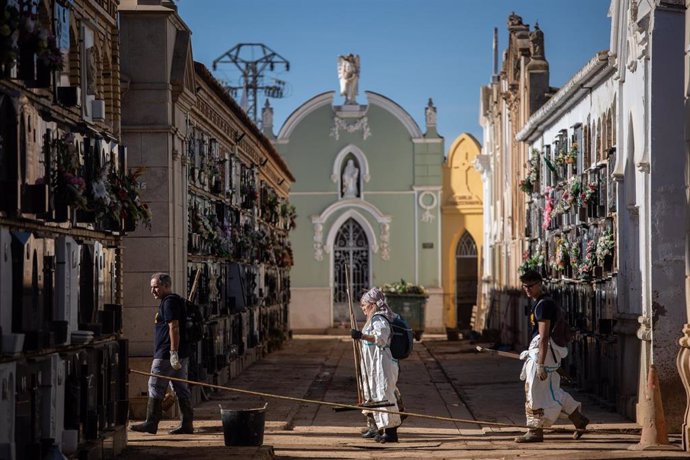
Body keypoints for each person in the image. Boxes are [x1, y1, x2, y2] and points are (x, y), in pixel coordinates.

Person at [515, 270, 589, 443]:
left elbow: (544, 336)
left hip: (543, 353)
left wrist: (540, 364)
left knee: (534, 391)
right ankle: (578, 419)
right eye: (525, 286)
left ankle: (535, 430)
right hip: (546, 353)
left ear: (540, 284)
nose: (527, 289)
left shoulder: (543, 306)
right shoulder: (541, 303)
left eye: (530, 286)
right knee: (553, 391)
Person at [130, 273, 194, 435]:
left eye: (156, 287)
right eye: (151, 287)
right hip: (180, 353)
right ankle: (187, 424)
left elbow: (174, 327)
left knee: (155, 386)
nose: (153, 291)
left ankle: (151, 422)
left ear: (166, 286)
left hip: (166, 354)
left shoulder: (169, 303)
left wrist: (173, 352)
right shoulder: (176, 300)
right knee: (180, 387)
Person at [351, 287, 401, 443]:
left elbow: (381, 338)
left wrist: (361, 335)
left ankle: (391, 432)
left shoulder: (380, 319)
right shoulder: (373, 319)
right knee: (373, 395)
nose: (363, 310)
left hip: (382, 364)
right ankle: (377, 428)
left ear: (372, 305)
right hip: (373, 365)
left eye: (365, 306)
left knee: (384, 395)